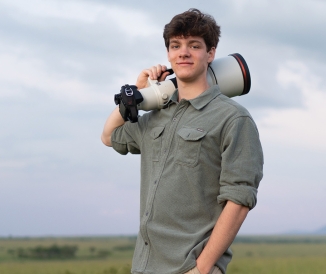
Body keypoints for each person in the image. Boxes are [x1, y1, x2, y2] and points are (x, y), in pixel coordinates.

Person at [101, 8, 263, 274]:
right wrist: (139, 94)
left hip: (190, 267)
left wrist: (201, 268)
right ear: (168, 54)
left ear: (210, 53)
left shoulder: (234, 118)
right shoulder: (157, 116)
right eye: (176, 45)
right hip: (144, 266)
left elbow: (239, 199)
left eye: (194, 45)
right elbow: (109, 137)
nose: (183, 52)